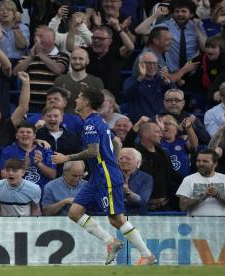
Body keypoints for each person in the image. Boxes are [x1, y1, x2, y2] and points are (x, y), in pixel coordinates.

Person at [52, 87, 156, 265]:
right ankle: (111, 242)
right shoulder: (98, 121)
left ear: (86, 102)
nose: (76, 100)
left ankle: (147, 255)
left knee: (116, 219)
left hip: (105, 175)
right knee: (75, 212)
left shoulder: (91, 124)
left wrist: (66, 158)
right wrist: (113, 161)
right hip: (98, 176)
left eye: (79, 97)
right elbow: (116, 141)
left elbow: (93, 152)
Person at [12, 26, 70, 110]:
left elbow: (58, 70)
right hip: (30, 105)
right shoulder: (28, 56)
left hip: (53, 106)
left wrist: (40, 54)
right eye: (36, 36)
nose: (36, 39)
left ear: (53, 39)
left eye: (41, 36)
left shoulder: (61, 56)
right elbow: (15, 72)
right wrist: (31, 57)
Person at [176, 148, 225, 216]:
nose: (201, 164)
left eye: (205, 161)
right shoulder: (188, 179)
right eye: (198, 161)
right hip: (195, 225)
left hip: (219, 225)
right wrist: (203, 196)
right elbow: (183, 207)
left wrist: (217, 195)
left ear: (215, 164)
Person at [0, 121, 56, 191]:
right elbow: (4, 177)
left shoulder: (45, 149)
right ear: (16, 136)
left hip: (42, 194)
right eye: (21, 132)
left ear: (34, 135)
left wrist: (39, 164)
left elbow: (53, 175)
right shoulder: (8, 151)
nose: (25, 134)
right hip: (18, 193)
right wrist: (24, 166)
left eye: (28, 132)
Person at [122, 52, 175, 122]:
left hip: (160, 123)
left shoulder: (162, 81)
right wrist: (141, 77)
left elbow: (176, 96)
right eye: (148, 63)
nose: (152, 66)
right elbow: (128, 94)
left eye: (155, 63)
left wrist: (167, 82)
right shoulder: (132, 80)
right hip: (139, 123)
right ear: (140, 65)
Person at [53, 47, 104, 114]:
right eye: (74, 58)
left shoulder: (96, 82)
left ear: (87, 61)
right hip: (64, 120)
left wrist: (88, 95)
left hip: (86, 120)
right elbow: (53, 104)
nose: (77, 61)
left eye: (81, 59)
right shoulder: (60, 80)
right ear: (70, 60)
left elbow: (100, 106)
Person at [36, 106, 81, 177]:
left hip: (66, 177)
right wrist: (35, 138)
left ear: (61, 118)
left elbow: (79, 157)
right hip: (41, 176)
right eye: (49, 116)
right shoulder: (37, 133)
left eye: (56, 116)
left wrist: (66, 158)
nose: (52, 119)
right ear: (44, 118)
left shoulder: (72, 136)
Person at [118, 148, 153, 215]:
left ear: (138, 162)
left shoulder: (146, 178)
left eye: (128, 158)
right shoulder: (111, 176)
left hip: (137, 216)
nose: (123, 161)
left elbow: (142, 201)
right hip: (114, 216)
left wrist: (127, 192)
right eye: (121, 158)